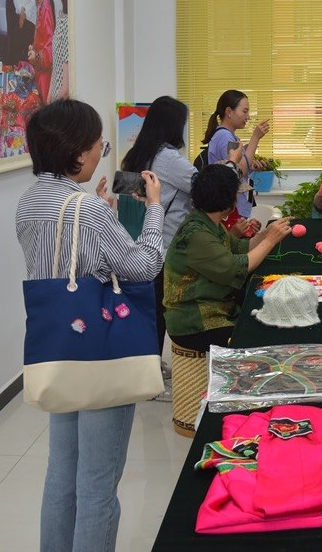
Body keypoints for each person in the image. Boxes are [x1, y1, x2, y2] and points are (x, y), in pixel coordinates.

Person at [15, 98, 165, 552]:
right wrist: (154, 209)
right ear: (77, 151)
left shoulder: (28, 203)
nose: (102, 150)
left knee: (61, 475)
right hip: (101, 349)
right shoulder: (87, 210)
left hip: (60, 347)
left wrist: (100, 213)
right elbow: (144, 265)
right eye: (99, 142)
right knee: (98, 485)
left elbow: (67, 258)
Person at [164, 164, 292, 436]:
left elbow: (241, 248)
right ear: (229, 200)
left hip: (210, 309)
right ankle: (248, 414)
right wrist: (270, 241)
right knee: (258, 335)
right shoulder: (197, 234)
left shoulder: (207, 222)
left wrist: (264, 234)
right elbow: (237, 267)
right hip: (195, 321)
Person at [121, 95, 200, 357]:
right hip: (166, 244)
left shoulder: (137, 154)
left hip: (139, 243)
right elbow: (201, 185)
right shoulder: (168, 158)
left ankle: (148, 364)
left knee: (148, 312)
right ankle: (152, 369)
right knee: (161, 312)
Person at [201, 90, 269, 230]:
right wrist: (255, 137)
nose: (248, 116)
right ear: (229, 112)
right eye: (244, 111)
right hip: (232, 208)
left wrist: (251, 165)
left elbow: (234, 167)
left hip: (235, 207)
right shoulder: (225, 136)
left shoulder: (228, 136)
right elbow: (239, 170)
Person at [26, 0, 56, 102]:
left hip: (45, 82)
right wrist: (34, 49)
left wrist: (36, 56)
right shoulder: (42, 1)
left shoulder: (46, 5)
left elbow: (50, 51)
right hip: (40, 77)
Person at [50, 0, 69, 100]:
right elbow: (56, 68)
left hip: (60, 109)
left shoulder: (69, 24)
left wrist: (52, 109)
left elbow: (65, 89)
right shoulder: (61, 16)